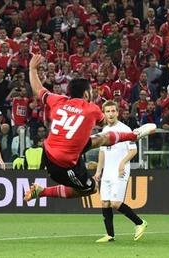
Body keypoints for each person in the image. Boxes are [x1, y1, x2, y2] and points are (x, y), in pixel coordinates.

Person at [23, 55, 156, 202]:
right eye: (91, 92)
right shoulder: (91, 109)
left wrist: (32, 68)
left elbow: (39, 89)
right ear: (86, 94)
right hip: (61, 164)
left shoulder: (58, 100)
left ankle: (133, 135)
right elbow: (104, 122)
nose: (92, 94)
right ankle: (42, 192)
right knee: (90, 188)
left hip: (49, 152)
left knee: (100, 139)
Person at [94, 101, 147, 243]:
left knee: (116, 203)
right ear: (104, 114)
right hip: (107, 172)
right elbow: (102, 152)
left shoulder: (124, 129)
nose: (111, 114)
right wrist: (99, 171)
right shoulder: (104, 131)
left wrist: (122, 163)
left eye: (113, 111)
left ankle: (140, 223)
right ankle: (110, 235)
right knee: (105, 203)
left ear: (117, 112)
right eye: (108, 111)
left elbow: (134, 150)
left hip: (120, 171)